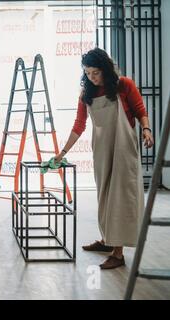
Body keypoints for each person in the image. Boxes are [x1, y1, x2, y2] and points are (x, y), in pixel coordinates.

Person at [55, 48, 154, 269]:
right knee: (104, 196)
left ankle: (118, 254)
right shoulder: (86, 94)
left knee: (120, 197)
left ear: (106, 69)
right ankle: (107, 240)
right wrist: (62, 153)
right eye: (88, 73)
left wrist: (146, 129)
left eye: (96, 73)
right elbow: (78, 126)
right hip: (101, 149)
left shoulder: (124, 85)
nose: (92, 77)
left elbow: (140, 110)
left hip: (124, 148)